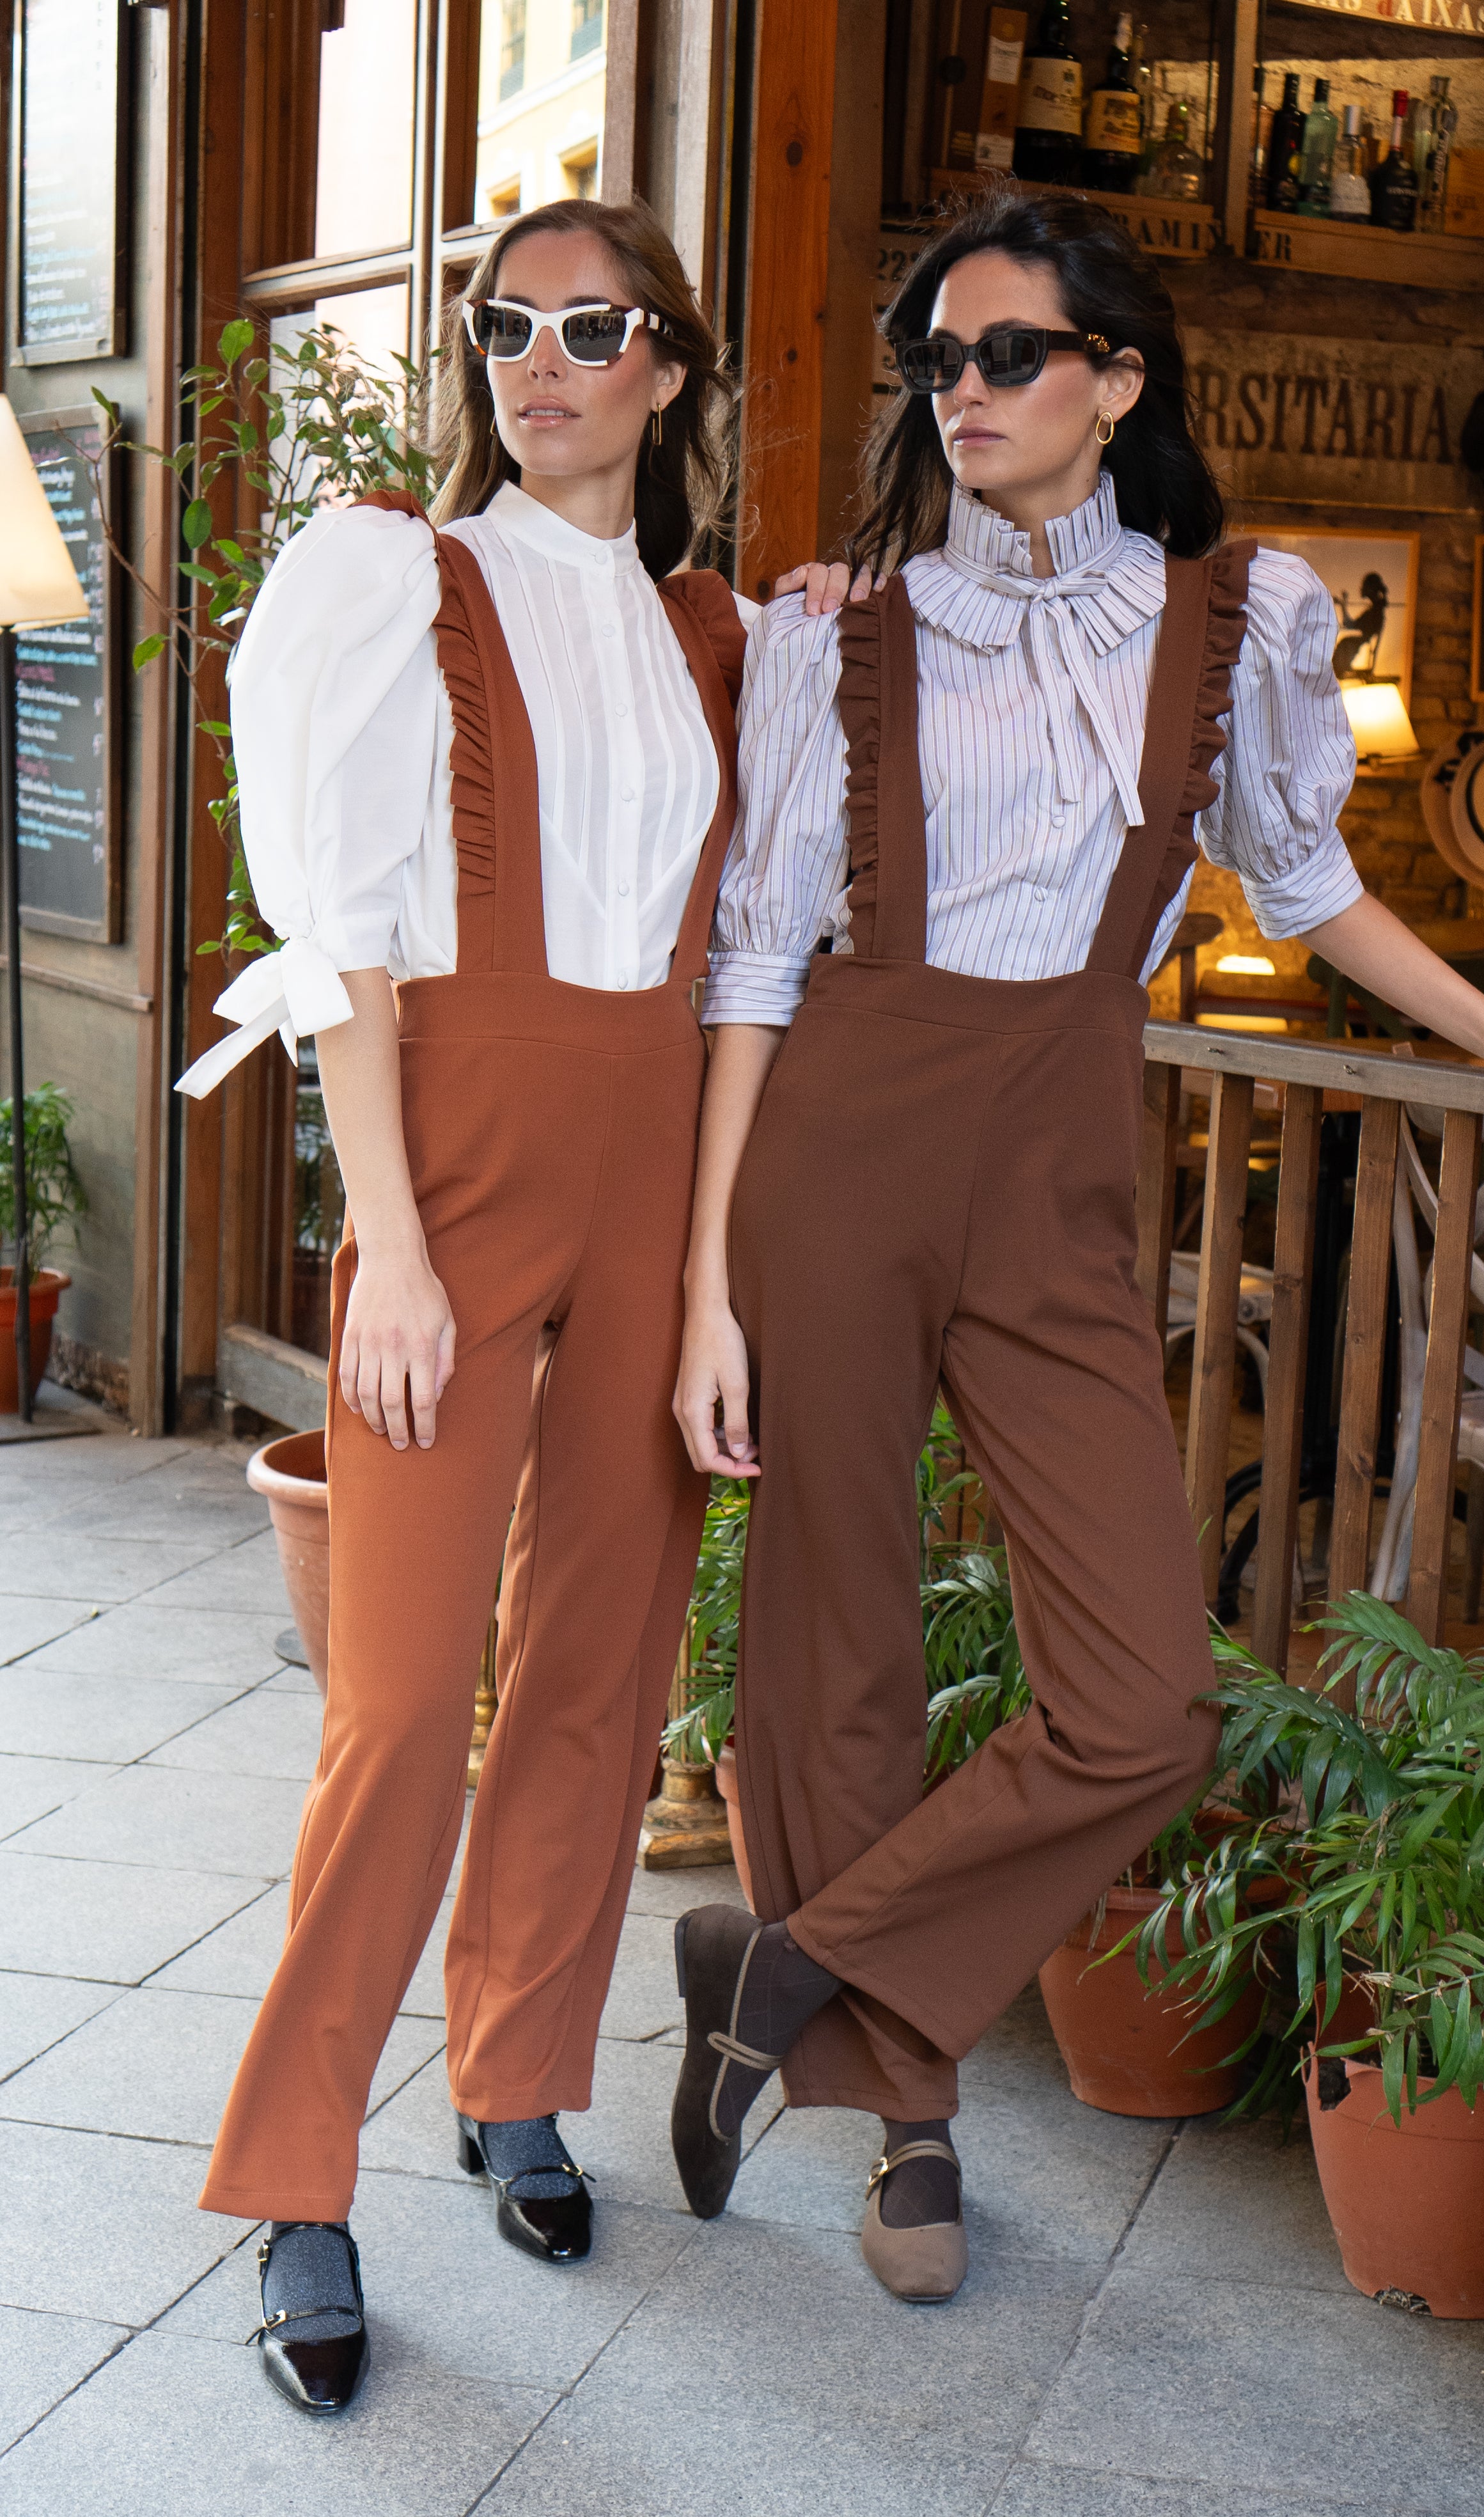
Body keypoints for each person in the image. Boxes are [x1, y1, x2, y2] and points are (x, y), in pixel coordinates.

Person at [668, 189, 1484, 2305]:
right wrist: (699, 1293)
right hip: (836, 1146)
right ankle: (908, 2121)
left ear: (1117, 381)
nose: (964, 392)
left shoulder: (1241, 620)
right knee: (836, 1643)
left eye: (1009, 354)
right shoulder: (841, 630)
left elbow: (1303, 883)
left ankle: (797, 1961)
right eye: (938, 361)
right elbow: (754, 954)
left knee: (1144, 1699)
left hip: (1058, 1162)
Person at [175, 196, 854, 2412]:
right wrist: (385, 1236)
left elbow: (745, 962)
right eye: (505, 329)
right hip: (453, 1174)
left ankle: (515, 2078)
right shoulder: (401, 578)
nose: (538, 364)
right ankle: (298, 2181)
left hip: (656, 1179)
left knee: (598, 1673)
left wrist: (712, 1283)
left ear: (670, 367)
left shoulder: (717, 630)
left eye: (589, 328)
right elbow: (345, 931)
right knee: (394, 1709)